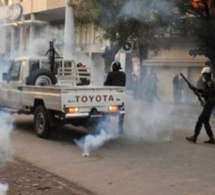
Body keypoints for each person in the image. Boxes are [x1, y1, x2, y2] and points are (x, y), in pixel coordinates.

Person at [186, 66, 215, 144]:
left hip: (209, 104)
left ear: (207, 74)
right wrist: (195, 88)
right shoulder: (209, 82)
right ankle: (212, 139)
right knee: (206, 121)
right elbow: (205, 91)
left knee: (200, 120)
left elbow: (209, 93)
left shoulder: (209, 83)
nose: (204, 76)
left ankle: (195, 137)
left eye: (205, 74)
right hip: (210, 104)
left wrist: (199, 93)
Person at [104, 61, 126, 134]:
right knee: (121, 113)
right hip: (120, 95)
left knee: (106, 112)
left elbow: (106, 85)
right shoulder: (123, 75)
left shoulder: (110, 74)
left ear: (113, 68)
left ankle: (106, 128)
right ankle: (120, 128)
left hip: (111, 96)